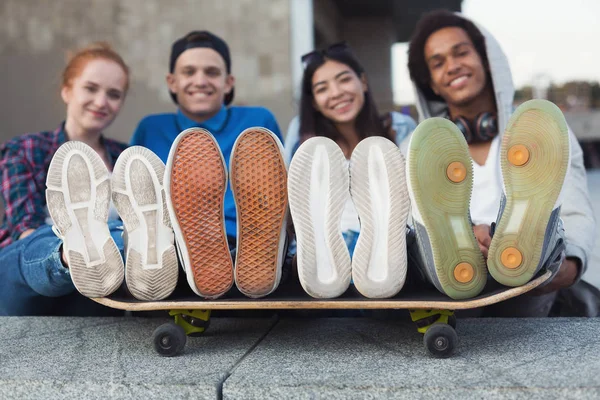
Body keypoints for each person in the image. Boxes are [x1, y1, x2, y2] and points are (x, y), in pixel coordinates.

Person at [404, 10, 595, 316]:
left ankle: (533, 252)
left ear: (486, 59)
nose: (452, 66)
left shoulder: (540, 131)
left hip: (532, 288)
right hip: (454, 286)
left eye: (461, 52)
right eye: (438, 63)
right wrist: (471, 234)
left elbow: (574, 207)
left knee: (536, 257)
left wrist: (570, 262)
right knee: (429, 250)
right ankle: (457, 247)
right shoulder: (415, 148)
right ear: (432, 85)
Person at [131, 31, 287, 299]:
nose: (200, 81)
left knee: (255, 245)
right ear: (172, 82)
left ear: (228, 83)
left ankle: (254, 251)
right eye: (189, 72)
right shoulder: (151, 128)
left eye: (211, 72)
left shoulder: (257, 121)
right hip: (174, 248)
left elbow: (278, 190)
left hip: (249, 246)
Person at [0, 43, 130, 316]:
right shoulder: (25, 149)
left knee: (120, 241)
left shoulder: (126, 158)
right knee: (42, 240)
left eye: (114, 94)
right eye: (91, 88)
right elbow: (24, 228)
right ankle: (73, 252)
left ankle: (103, 250)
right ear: (67, 90)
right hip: (28, 279)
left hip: (98, 288)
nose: (101, 101)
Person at [285, 43, 417, 299]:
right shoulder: (303, 137)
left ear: (363, 82)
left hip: (388, 245)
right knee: (313, 266)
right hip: (325, 247)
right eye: (322, 88)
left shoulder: (399, 128)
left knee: (393, 258)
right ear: (313, 102)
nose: (336, 93)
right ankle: (306, 261)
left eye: (344, 80)